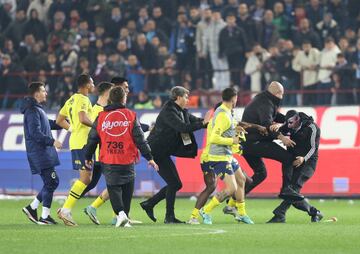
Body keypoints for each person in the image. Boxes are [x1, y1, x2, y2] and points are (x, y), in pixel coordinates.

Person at [84, 86, 158, 228]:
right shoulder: (130, 115)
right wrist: (149, 157)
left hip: (109, 158)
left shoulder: (101, 117)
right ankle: (124, 216)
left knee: (113, 187)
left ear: (110, 99)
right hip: (127, 158)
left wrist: (88, 156)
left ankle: (121, 215)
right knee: (127, 187)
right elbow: (140, 139)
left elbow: (92, 138)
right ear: (124, 98)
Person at [140, 86, 210, 224]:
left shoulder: (180, 111)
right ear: (178, 98)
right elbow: (182, 127)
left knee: (175, 184)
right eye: (185, 97)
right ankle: (168, 216)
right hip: (155, 151)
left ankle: (150, 204)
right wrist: (202, 125)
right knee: (174, 183)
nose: (188, 100)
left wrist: (207, 123)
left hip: (163, 151)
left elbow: (194, 120)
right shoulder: (168, 112)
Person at [188, 102, 267, 224]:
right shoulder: (219, 121)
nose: (232, 111)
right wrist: (236, 139)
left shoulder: (226, 119)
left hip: (226, 156)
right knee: (212, 187)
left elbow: (240, 124)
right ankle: (197, 215)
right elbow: (222, 137)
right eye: (230, 108)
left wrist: (255, 127)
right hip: (211, 157)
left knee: (243, 180)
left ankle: (239, 211)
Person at [198, 88, 254, 225]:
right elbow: (214, 138)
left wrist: (237, 130)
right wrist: (232, 141)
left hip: (227, 155)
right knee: (231, 188)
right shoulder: (223, 115)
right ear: (234, 98)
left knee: (242, 180)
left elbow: (228, 128)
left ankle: (241, 213)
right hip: (218, 157)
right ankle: (206, 210)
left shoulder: (227, 112)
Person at [241, 81, 303, 200]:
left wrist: (290, 121)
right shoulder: (266, 103)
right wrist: (282, 138)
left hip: (246, 144)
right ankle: (286, 190)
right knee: (288, 158)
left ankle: (235, 199)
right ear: (278, 93)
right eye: (282, 94)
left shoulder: (264, 100)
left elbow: (275, 116)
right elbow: (268, 125)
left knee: (261, 174)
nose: (282, 97)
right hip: (254, 143)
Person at [268, 110, 323, 223]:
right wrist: (281, 134)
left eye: (290, 123)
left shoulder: (312, 127)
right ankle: (314, 212)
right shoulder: (288, 125)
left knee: (292, 190)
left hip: (308, 162)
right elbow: (276, 132)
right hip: (292, 161)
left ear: (298, 119)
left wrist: (303, 159)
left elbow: (314, 148)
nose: (288, 126)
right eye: (287, 123)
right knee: (290, 193)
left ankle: (280, 213)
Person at [55, 73, 95, 226]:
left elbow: (59, 120)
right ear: (86, 85)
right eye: (92, 83)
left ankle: (66, 209)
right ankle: (65, 210)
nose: (93, 85)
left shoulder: (71, 99)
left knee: (86, 178)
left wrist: (73, 129)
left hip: (76, 141)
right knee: (85, 178)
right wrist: (97, 127)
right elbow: (83, 118)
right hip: (84, 143)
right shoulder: (84, 99)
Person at [21, 82, 63, 225]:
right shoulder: (32, 110)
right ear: (37, 93)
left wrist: (63, 122)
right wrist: (52, 141)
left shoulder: (36, 109)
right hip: (40, 153)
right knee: (52, 181)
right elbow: (35, 133)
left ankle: (33, 208)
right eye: (44, 91)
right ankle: (44, 216)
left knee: (51, 182)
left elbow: (48, 123)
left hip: (42, 153)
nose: (46, 93)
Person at [81, 82, 114, 225]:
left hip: (102, 153)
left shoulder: (103, 109)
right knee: (117, 182)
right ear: (107, 93)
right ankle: (69, 206)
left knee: (92, 184)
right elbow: (96, 134)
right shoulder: (98, 111)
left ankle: (66, 205)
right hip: (101, 153)